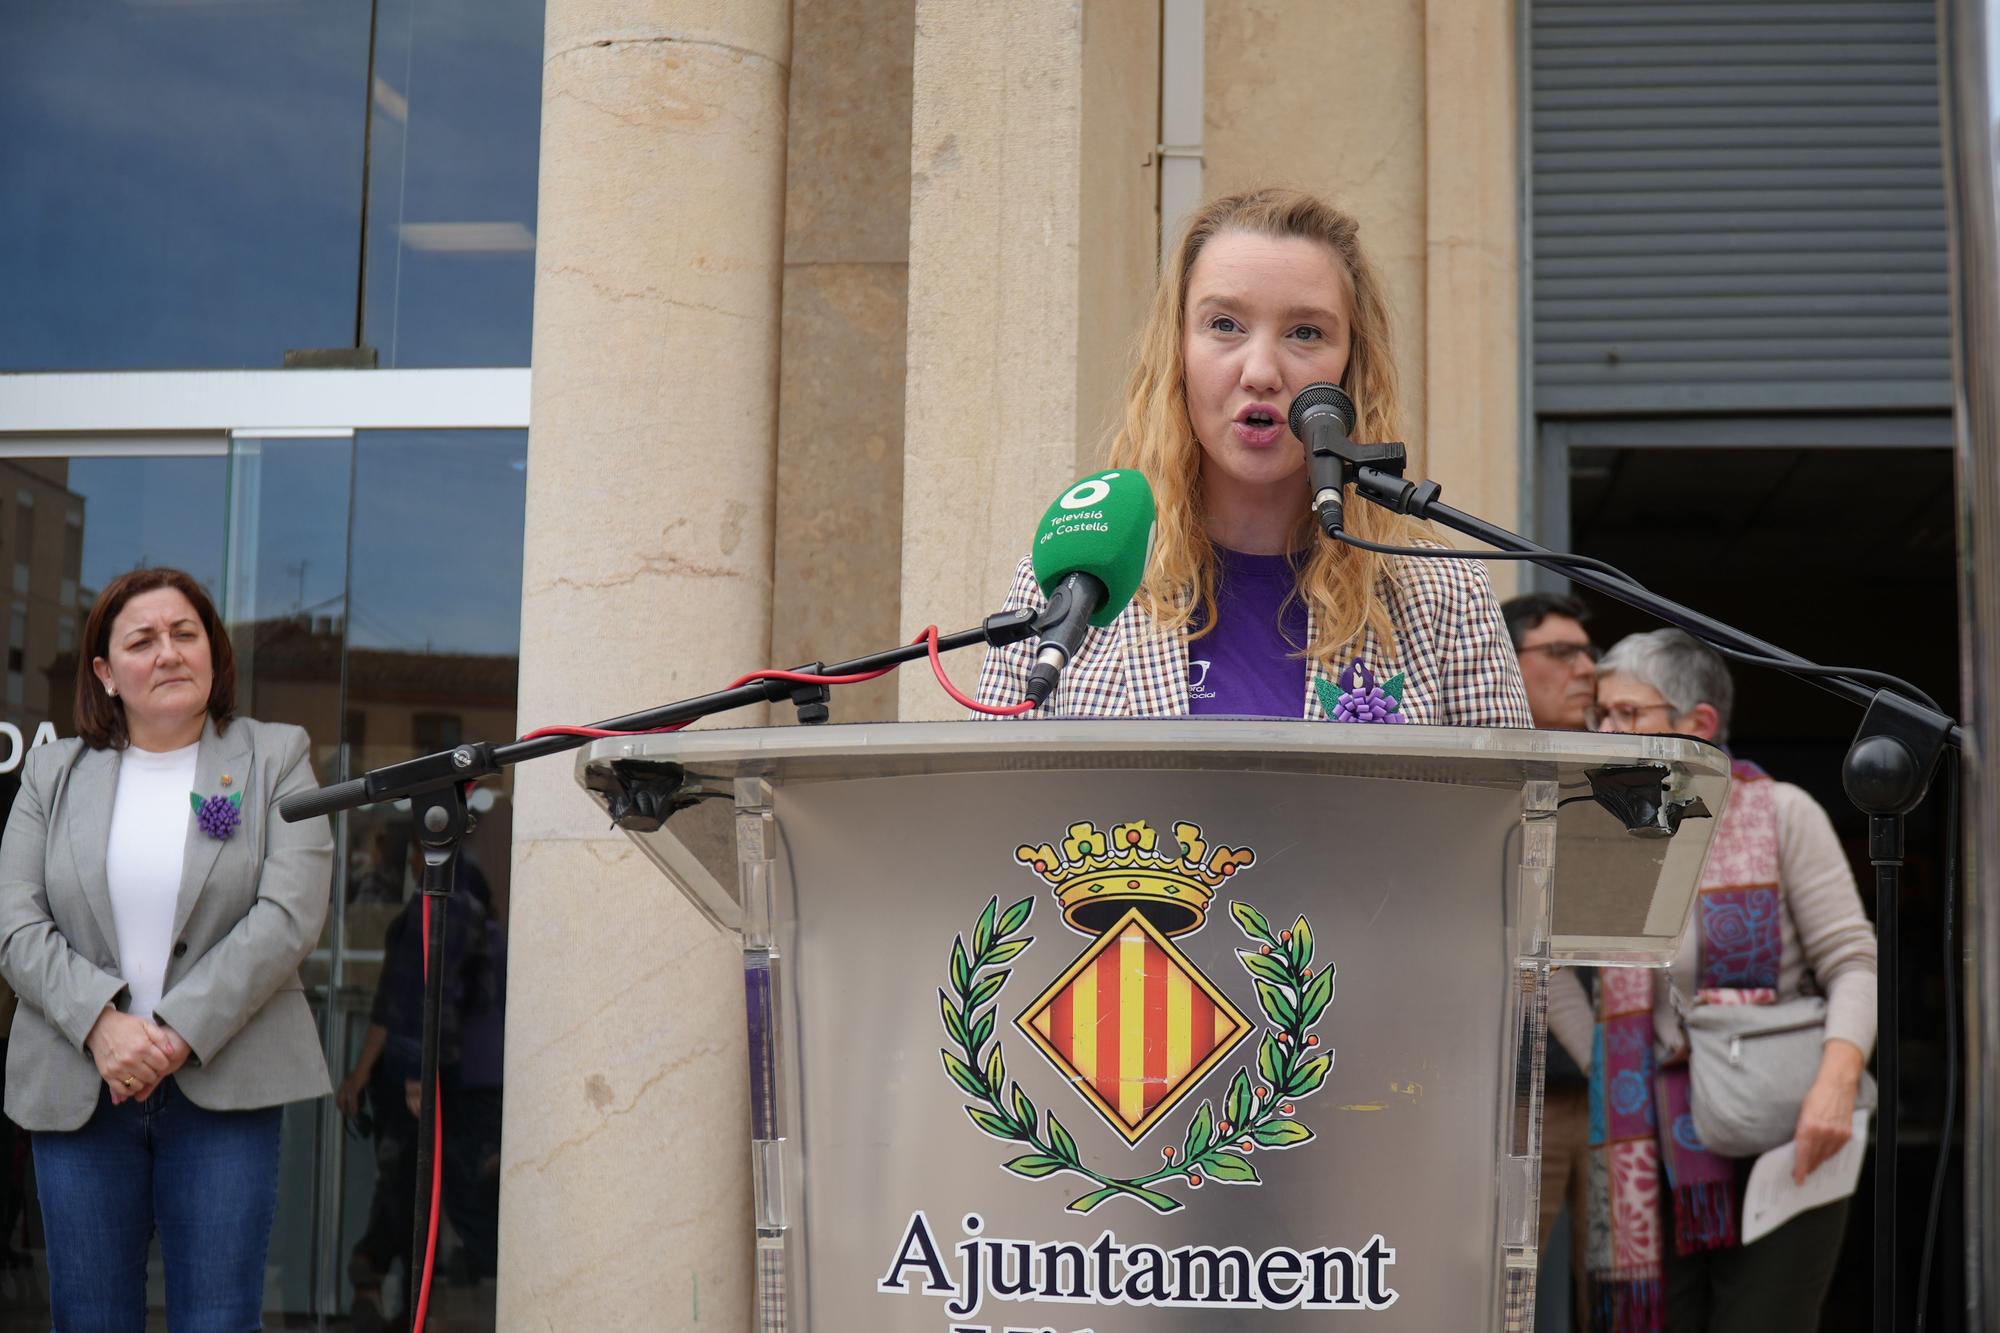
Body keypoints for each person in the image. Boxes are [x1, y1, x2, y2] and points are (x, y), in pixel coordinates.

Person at [976, 188, 1530, 727]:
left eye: (1306, 332)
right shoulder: (1073, 584)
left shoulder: (1444, 595)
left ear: (1351, 367)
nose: (1261, 372)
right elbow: (995, 811)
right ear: (1178, 353)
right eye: (1225, 325)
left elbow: (1515, 815)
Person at [0, 567, 334, 1329]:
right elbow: (12, 918)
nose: (169, 652)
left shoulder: (275, 755)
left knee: (219, 1319)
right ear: (106, 672)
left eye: (185, 633)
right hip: (82, 1089)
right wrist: (101, 1024)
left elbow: (289, 913)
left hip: (225, 1086)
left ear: (212, 652)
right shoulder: (53, 773)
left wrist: (177, 1033)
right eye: (142, 640)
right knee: (89, 1318)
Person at [1580, 629, 1875, 1333]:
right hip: (1647, 1137)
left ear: (1698, 724)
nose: (1606, 731)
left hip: (1787, 1125)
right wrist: (1612, 1065)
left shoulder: (1783, 813)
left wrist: (1835, 1087)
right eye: (1603, 713)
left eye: (1629, 713)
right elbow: (1555, 968)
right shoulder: (1601, 824)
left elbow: (1851, 961)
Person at [1502, 592, 1599, 1332]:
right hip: (1508, 1100)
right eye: (1561, 653)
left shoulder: (1621, 774)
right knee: (1504, 1293)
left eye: (1589, 651)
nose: (1587, 669)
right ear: (1509, 662)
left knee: (1625, 1294)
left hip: (1614, 1097)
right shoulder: (1486, 774)